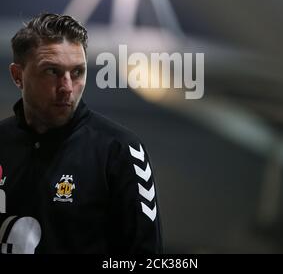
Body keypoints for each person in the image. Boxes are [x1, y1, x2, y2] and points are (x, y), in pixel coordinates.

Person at [0, 13, 163, 254]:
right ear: (18, 76)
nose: (66, 87)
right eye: (52, 71)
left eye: (77, 72)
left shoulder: (120, 150)